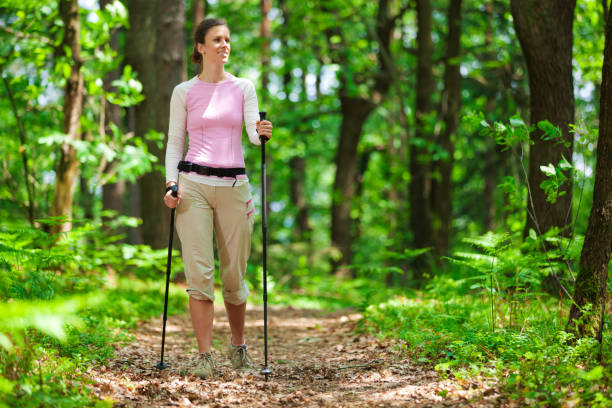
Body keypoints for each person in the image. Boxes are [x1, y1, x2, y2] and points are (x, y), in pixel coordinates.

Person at [163, 18, 273, 379]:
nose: (224, 45)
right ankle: (204, 356)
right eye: (216, 39)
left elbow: (254, 136)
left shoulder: (243, 87)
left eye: (227, 39)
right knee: (199, 273)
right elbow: (175, 143)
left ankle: (239, 349)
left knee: (233, 276)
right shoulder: (184, 91)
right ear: (200, 47)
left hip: (234, 186)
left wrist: (261, 132)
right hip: (192, 183)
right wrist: (170, 184)